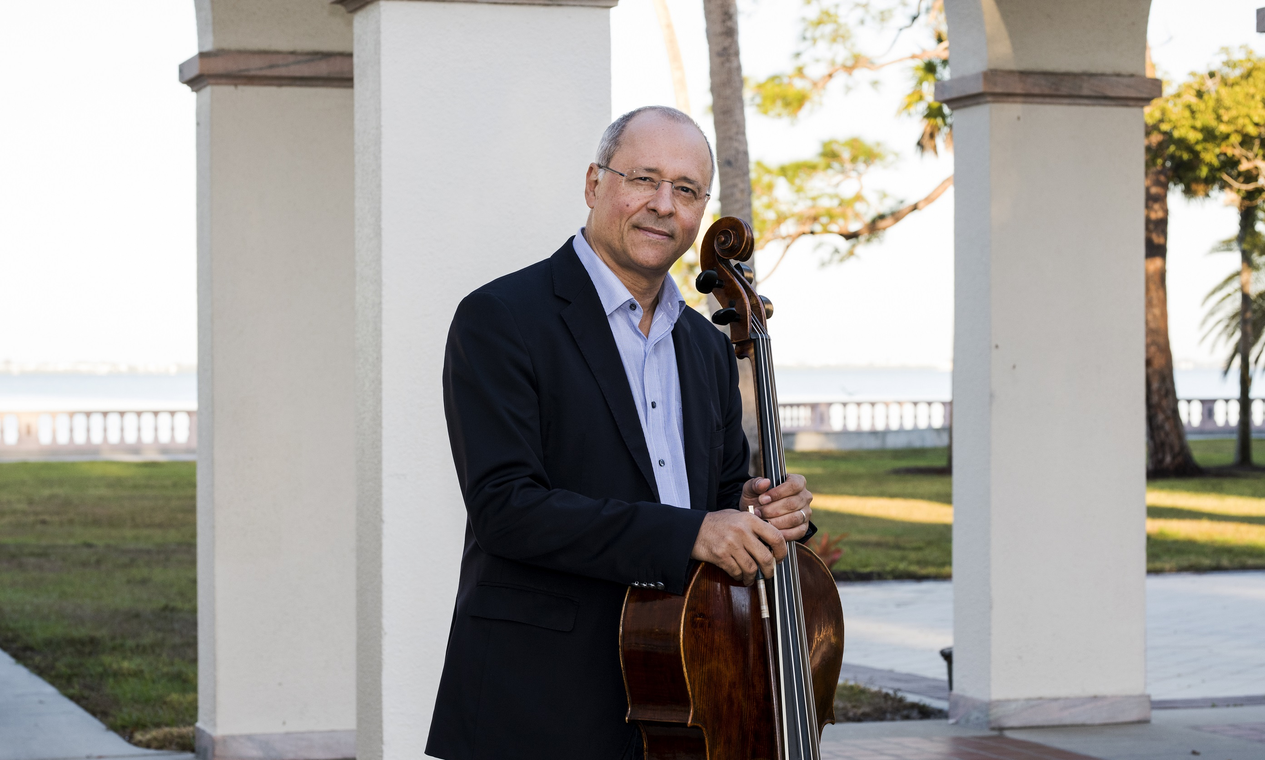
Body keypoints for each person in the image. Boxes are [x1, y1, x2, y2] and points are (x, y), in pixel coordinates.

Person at [425, 106, 814, 760]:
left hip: (682, 687)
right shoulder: (500, 317)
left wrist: (761, 513)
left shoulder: (704, 346)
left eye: (686, 190)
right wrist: (690, 532)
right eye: (644, 178)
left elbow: (721, 500)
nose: (663, 205)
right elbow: (505, 508)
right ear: (593, 184)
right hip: (539, 699)